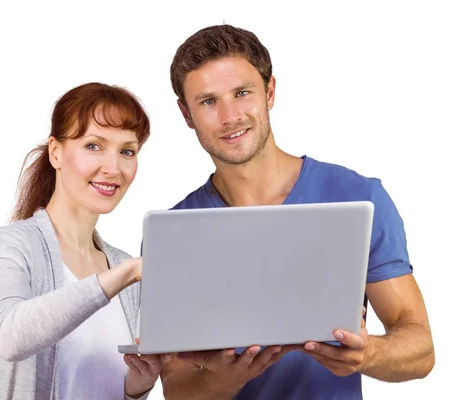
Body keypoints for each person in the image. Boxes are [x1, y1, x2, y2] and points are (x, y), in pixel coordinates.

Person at [159, 24, 435, 399]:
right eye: (208, 101)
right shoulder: (175, 231)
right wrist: (225, 379)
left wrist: (369, 354)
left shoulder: (356, 197)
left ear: (269, 91)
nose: (229, 116)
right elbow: (177, 389)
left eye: (242, 93)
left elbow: (420, 348)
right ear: (186, 114)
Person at [0, 82, 167, 400]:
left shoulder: (123, 264)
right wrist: (120, 277)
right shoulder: (15, 245)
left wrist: (137, 387)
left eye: (127, 151)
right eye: (94, 145)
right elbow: (7, 337)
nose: (112, 168)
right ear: (56, 152)